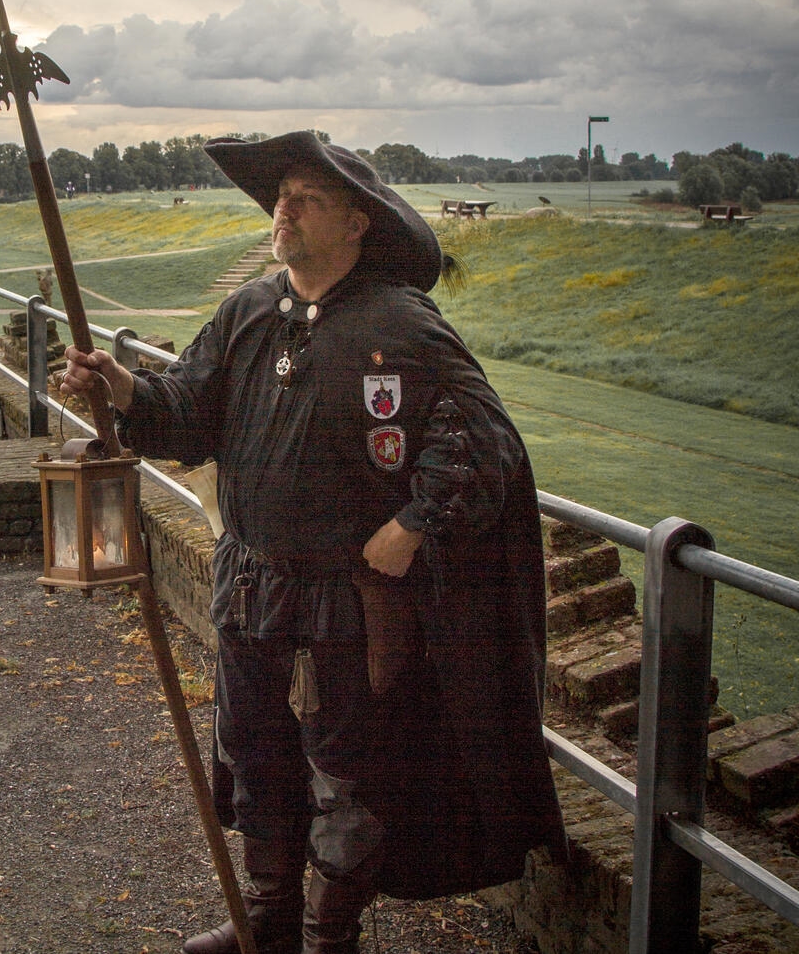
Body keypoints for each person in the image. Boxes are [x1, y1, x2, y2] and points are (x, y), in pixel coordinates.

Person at [60, 131, 566, 954]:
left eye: (307, 199)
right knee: (259, 762)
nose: (282, 210)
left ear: (358, 223)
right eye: (281, 197)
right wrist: (121, 386)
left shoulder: (400, 323)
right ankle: (265, 923)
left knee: (345, 783)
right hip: (252, 585)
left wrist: (412, 525)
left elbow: (483, 435)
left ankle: (327, 937)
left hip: (348, 607)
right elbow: (187, 407)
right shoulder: (250, 311)